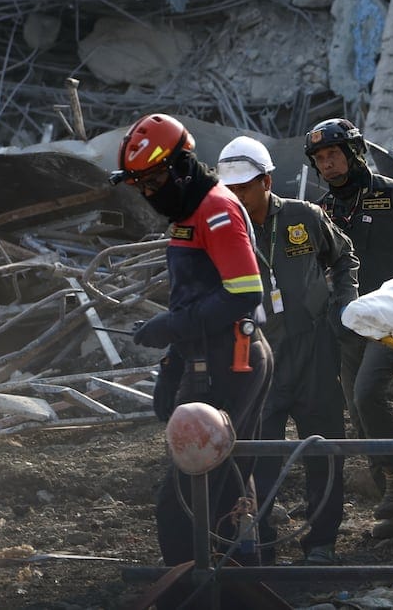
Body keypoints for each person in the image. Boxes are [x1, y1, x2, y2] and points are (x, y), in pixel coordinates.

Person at [111, 114, 272, 604]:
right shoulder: (188, 212)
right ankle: (243, 590)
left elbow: (244, 292)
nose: (149, 192)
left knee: (185, 498)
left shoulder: (216, 209)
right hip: (206, 358)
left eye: (155, 179)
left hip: (233, 362)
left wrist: (172, 328)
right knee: (224, 486)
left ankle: (200, 595)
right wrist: (174, 361)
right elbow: (196, 297)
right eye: (140, 184)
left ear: (183, 165)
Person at [215, 136, 359, 566]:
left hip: (313, 349)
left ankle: (321, 541)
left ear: (267, 181)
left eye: (244, 187)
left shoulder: (304, 216)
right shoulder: (222, 228)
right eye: (230, 189)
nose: (236, 196)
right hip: (260, 356)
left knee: (324, 448)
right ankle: (262, 540)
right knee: (259, 454)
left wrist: (343, 305)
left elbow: (344, 257)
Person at [305, 117, 393, 538]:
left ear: (354, 153)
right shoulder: (322, 210)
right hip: (347, 324)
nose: (328, 165)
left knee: (366, 393)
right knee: (356, 408)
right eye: (320, 159)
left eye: (333, 154)